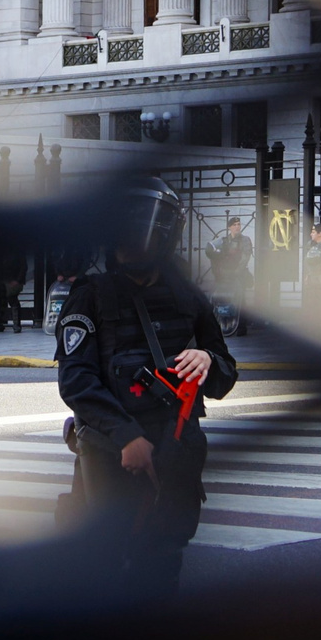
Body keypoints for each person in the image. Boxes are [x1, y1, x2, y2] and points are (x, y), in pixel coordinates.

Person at [56, 178, 239, 594]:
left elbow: (226, 374)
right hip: (109, 451)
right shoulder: (90, 295)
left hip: (175, 447)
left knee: (162, 556)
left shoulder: (188, 296)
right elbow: (76, 380)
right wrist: (127, 437)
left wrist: (209, 361)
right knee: (102, 562)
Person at [208, 215, 255, 336]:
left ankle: (241, 327)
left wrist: (236, 272)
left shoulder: (245, 240)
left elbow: (245, 257)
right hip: (224, 274)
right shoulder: (224, 240)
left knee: (240, 299)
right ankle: (223, 324)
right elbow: (215, 255)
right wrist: (219, 272)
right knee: (221, 298)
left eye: (238, 224)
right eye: (234, 225)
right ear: (229, 227)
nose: (237, 227)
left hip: (238, 274)